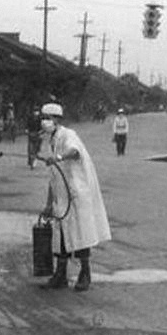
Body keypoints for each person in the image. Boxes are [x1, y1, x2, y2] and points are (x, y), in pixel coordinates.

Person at [39, 103, 111, 292]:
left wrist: (60, 157)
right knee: (60, 235)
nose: (44, 121)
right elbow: (53, 177)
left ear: (57, 119)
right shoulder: (51, 140)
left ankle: (85, 273)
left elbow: (74, 151)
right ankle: (60, 274)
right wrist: (49, 203)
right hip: (61, 196)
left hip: (77, 194)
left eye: (48, 117)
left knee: (80, 235)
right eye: (43, 117)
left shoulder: (68, 135)